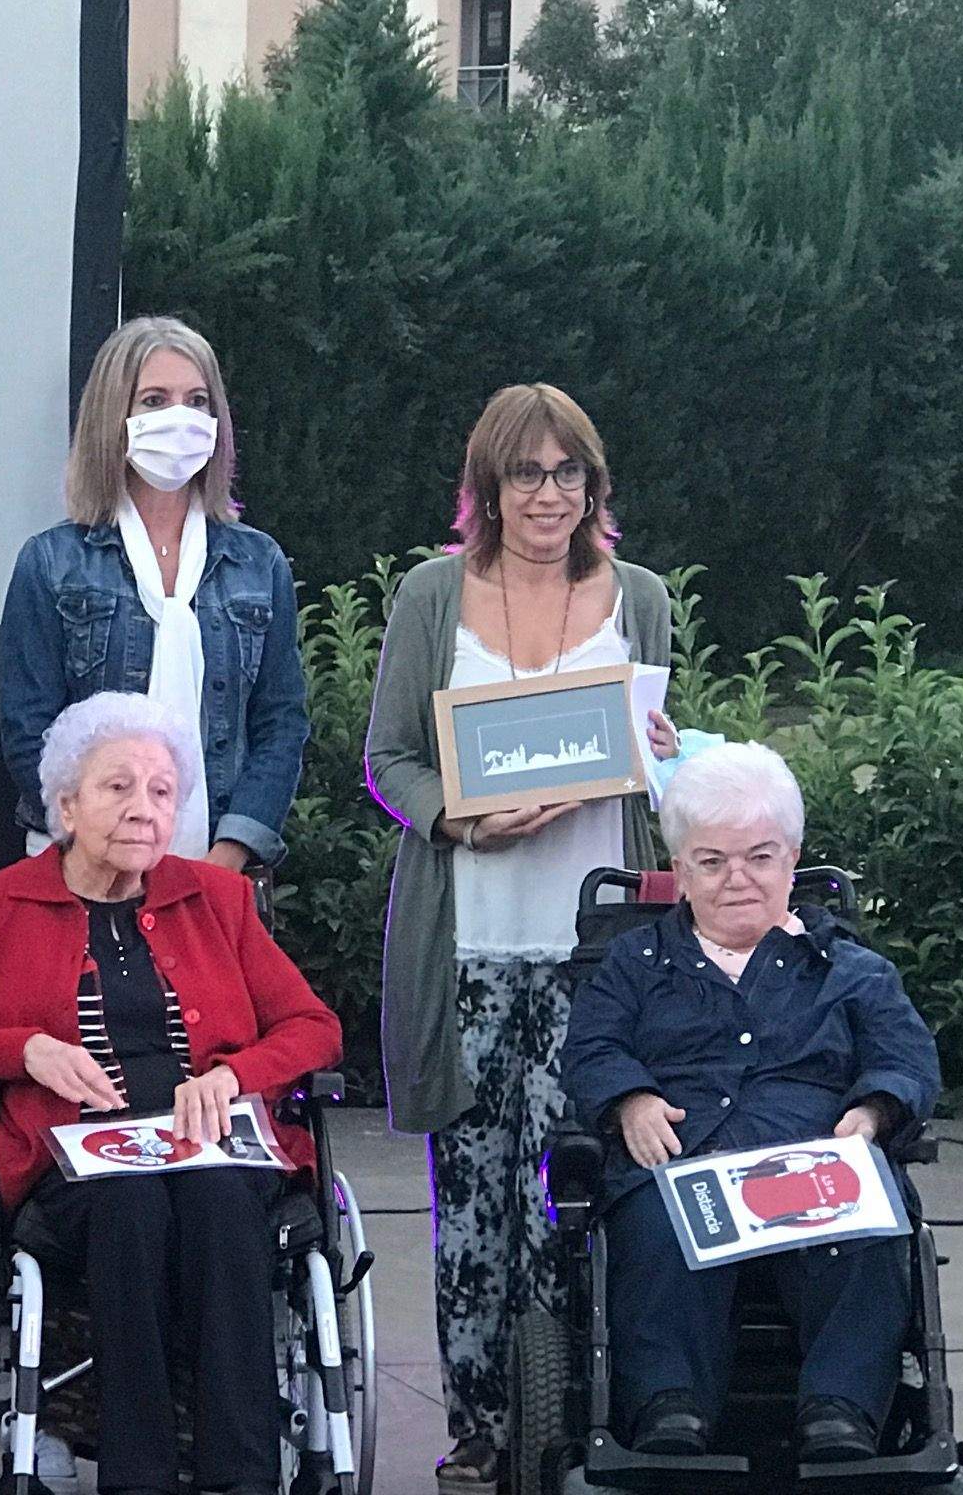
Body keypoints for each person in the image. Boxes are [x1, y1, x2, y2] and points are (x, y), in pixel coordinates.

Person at [0, 692, 342, 1495]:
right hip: (73, 1166)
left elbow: (313, 1028)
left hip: (213, 1148)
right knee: (131, 1206)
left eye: (163, 792)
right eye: (118, 788)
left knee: (215, 1199)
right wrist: (21, 1049)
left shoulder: (219, 899)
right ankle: (138, 1477)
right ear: (65, 804)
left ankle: (240, 1477)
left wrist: (233, 1075)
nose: (144, 809)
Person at [362, 384, 680, 1489]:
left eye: (568, 474)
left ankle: (567, 1420)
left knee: (571, 1191)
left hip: (594, 953)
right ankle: (480, 1432)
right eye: (526, 474)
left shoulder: (638, 598)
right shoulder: (430, 596)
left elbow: (655, 777)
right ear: (487, 489)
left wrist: (669, 756)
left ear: (594, 487)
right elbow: (389, 760)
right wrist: (462, 815)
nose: (548, 495)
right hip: (470, 953)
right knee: (474, 1206)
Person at [561, 741, 941, 1463]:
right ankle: (668, 1405)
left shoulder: (852, 971)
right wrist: (632, 1100)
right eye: (711, 861)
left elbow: (905, 1056)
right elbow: (590, 1050)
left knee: (867, 1232)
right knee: (654, 1230)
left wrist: (875, 1112)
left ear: (791, 862)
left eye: (759, 858)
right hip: (682, 1165)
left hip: (812, 1165)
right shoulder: (634, 966)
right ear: (680, 871)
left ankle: (840, 1410)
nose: (737, 878)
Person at [0, 315, 310, 871]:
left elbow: (280, 724)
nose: (180, 419)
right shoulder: (51, 562)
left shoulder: (257, 563)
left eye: (197, 401)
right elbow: (30, 730)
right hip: (81, 867)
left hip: (219, 870)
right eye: (154, 400)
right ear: (112, 417)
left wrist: (229, 855)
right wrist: (106, 843)